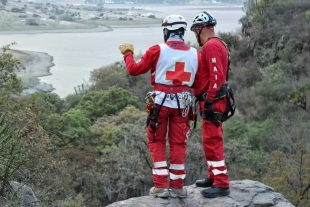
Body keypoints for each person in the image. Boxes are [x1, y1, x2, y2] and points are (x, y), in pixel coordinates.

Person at [118, 14, 200, 199]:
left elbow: (134, 70)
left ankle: (161, 186)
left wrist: (128, 54)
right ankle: (178, 187)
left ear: (166, 30)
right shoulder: (196, 53)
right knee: (179, 143)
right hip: (183, 103)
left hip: (160, 102)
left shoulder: (157, 50)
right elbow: (198, 83)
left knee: (157, 141)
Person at [190, 11, 231, 198]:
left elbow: (216, 76)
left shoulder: (211, 46)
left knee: (213, 141)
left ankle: (221, 183)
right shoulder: (219, 43)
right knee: (209, 140)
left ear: (200, 29)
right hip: (215, 100)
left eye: (194, 32)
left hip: (213, 102)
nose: (195, 36)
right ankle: (213, 176)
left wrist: (209, 100)